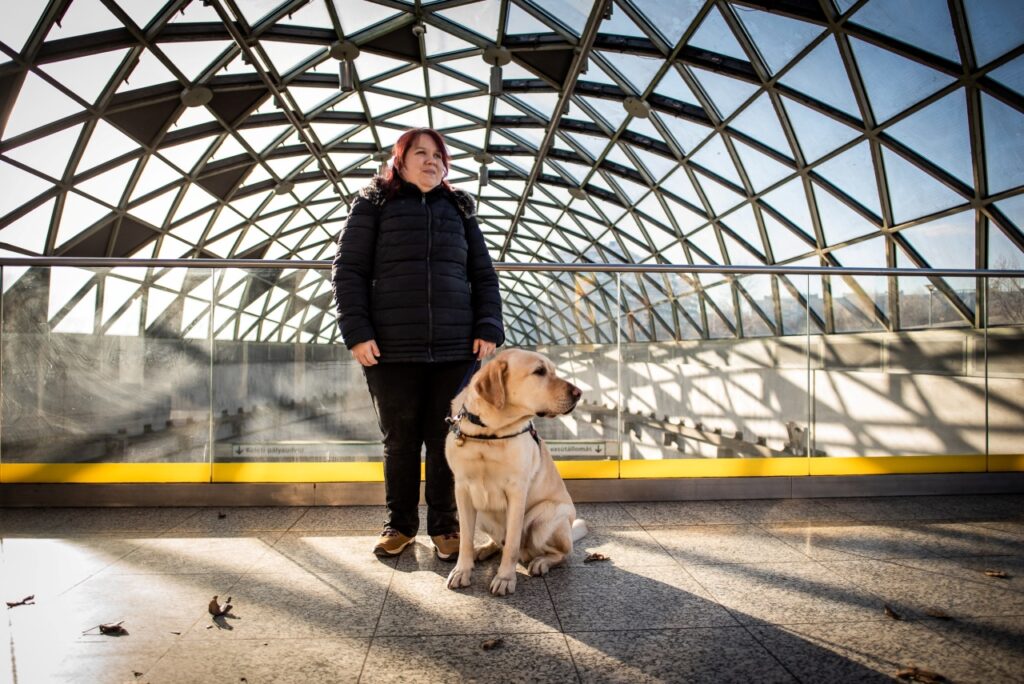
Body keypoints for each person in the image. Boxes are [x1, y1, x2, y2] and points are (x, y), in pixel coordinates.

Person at [331, 127, 504, 560]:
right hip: (390, 345)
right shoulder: (374, 204)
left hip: (455, 345)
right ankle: (400, 525)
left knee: (446, 438)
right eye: (420, 153)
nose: (431, 161)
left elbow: (482, 274)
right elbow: (348, 270)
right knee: (400, 439)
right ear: (399, 161)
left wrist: (488, 324)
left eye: (438, 156)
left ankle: (446, 528)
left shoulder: (459, 211)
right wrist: (357, 331)